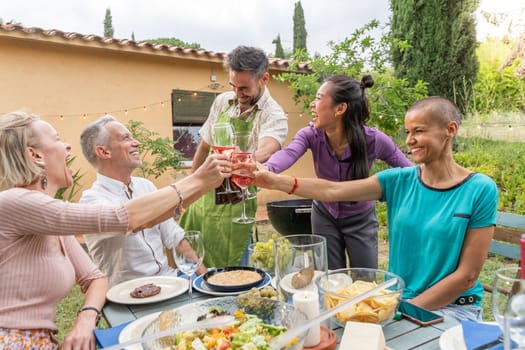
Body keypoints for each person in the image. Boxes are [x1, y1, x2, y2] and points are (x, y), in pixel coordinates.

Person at [254, 96, 498, 321]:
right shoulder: (398, 180)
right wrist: (274, 181)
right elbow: (332, 191)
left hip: (452, 308)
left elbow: (467, 275)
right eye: (408, 132)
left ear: (450, 130)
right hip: (396, 299)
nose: (410, 140)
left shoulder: (479, 189)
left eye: (419, 131)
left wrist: (400, 310)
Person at [0, 111, 229, 349]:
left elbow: (94, 278)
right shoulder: (14, 201)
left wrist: (85, 320)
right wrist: (199, 178)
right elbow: (126, 218)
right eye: (57, 139)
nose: (68, 147)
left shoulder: (52, 222)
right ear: (35, 154)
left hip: (43, 341)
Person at [264, 74, 412, 270]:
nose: (311, 104)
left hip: (361, 220)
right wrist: (265, 169)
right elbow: (288, 154)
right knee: (329, 279)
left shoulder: (373, 140)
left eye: (318, 98)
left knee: (365, 278)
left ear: (340, 109)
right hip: (324, 215)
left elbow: (410, 172)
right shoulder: (311, 135)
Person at [179, 45, 288, 267]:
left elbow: (269, 147)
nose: (238, 94)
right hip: (201, 200)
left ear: (264, 79)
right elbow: (204, 146)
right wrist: (188, 188)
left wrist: (247, 158)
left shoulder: (274, 115)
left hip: (236, 207)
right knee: (191, 267)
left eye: (244, 88)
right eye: (233, 86)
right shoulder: (222, 102)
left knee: (233, 275)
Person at [79, 115, 207, 287]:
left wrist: (206, 281)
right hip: (129, 295)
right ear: (103, 152)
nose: (137, 143)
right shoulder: (91, 201)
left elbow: (175, 238)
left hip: (169, 281)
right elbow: (131, 221)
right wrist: (200, 179)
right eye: (126, 138)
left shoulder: (145, 186)